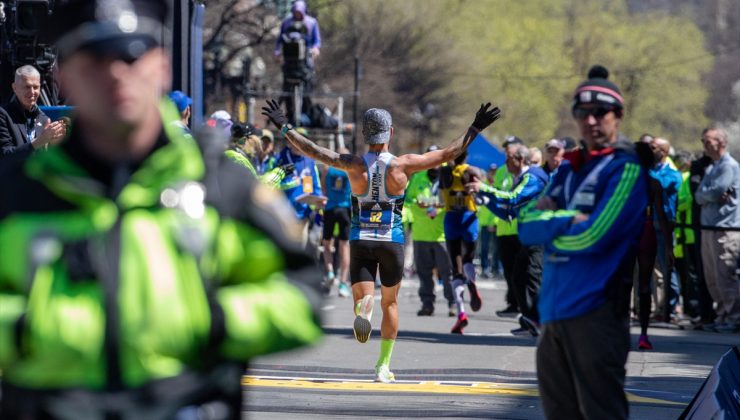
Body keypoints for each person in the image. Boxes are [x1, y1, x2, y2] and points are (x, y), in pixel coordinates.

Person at [0, 1, 324, 418]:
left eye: (132, 56)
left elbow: (302, 296)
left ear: (161, 67)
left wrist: (211, 320)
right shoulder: (17, 189)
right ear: (64, 77)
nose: (116, 72)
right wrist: (30, 329)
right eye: (95, 58)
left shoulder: (220, 186)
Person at [262, 99, 501, 382]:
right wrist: (475, 127)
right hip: (392, 240)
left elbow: (312, 150)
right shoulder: (404, 165)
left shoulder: (352, 164)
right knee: (390, 303)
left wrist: (284, 126)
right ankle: (383, 366)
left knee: (363, 297)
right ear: (391, 132)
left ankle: (363, 305)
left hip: (361, 239)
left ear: (365, 134)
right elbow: (449, 152)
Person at [518, 65, 648, 419]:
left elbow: (594, 237)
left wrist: (552, 227)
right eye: (582, 113)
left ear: (617, 115)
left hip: (597, 313)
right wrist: (566, 221)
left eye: (600, 113)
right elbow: (526, 225)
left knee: (601, 413)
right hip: (554, 314)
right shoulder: (570, 168)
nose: (591, 121)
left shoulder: (627, 168)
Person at [467, 142, 549, 337]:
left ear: (520, 159)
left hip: (540, 235)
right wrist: (485, 201)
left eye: (508, 158)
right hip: (527, 235)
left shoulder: (533, 177)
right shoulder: (520, 177)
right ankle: (530, 318)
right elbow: (509, 214)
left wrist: (484, 188)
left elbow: (512, 198)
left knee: (532, 277)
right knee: (518, 276)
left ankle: (540, 320)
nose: (505, 162)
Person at [694, 126, 740, 333]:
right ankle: (721, 314)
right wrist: (707, 194)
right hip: (709, 227)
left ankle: (734, 316)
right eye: (703, 141)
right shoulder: (712, 167)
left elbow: (715, 192)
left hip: (725, 228)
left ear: (721, 142)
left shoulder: (728, 166)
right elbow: (699, 194)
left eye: (708, 141)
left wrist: (707, 195)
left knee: (725, 274)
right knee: (712, 276)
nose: (704, 144)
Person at [405, 146, 454, 317]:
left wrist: (435, 209)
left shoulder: (449, 177)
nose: (434, 163)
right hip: (421, 234)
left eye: (437, 158)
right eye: (430, 158)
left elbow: (452, 202)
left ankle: (453, 303)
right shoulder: (417, 177)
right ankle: (427, 304)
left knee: (448, 272)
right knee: (424, 273)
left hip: (442, 234)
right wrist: (424, 210)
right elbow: (408, 201)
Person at [439, 151, 485, 333]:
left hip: (451, 217)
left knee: (455, 269)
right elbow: (480, 187)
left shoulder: (445, 172)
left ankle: (461, 314)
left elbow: (441, 191)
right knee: (468, 259)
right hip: (469, 218)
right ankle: (472, 282)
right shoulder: (471, 171)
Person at [0, 65, 66, 159]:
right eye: (27, 87)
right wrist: (41, 140)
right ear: (14, 88)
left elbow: (44, 159)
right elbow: (5, 156)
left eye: (36, 87)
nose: (32, 92)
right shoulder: (3, 115)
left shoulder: (43, 118)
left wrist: (53, 144)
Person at [274, 0, 321, 125]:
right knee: (287, 90)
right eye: (295, 12)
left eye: (299, 12)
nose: (297, 14)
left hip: (305, 63)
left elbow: (317, 41)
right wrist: (278, 53)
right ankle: (290, 115)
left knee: (306, 89)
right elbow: (279, 41)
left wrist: (315, 49)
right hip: (289, 63)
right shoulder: (286, 23)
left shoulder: (311, 23)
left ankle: (305, 117)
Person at [321, 148, 353, 298]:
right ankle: (343, 282)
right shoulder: (349, 170)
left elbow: (323, 189)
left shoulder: (328, 168)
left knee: (327, 243)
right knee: (344, 246)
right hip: (345, 209)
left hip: (330, 208)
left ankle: (330, 272)